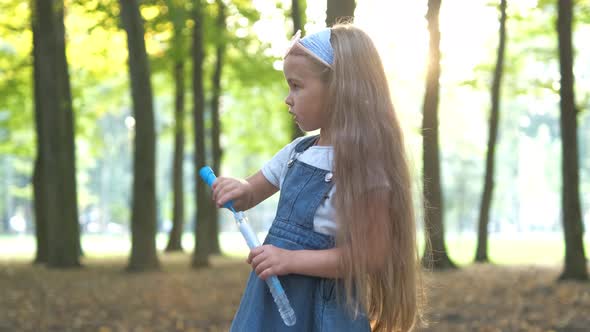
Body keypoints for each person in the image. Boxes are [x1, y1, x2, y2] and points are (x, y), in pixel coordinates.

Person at [212, 24, 423, 332]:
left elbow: (371, 255)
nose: (288, 98)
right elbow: (251, 192)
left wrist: (290, 260)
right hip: (274, 299)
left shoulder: (363, 165)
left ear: (340, 89)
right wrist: (236, 188)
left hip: (325, 309)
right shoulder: (298, 151)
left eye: (296, 86)